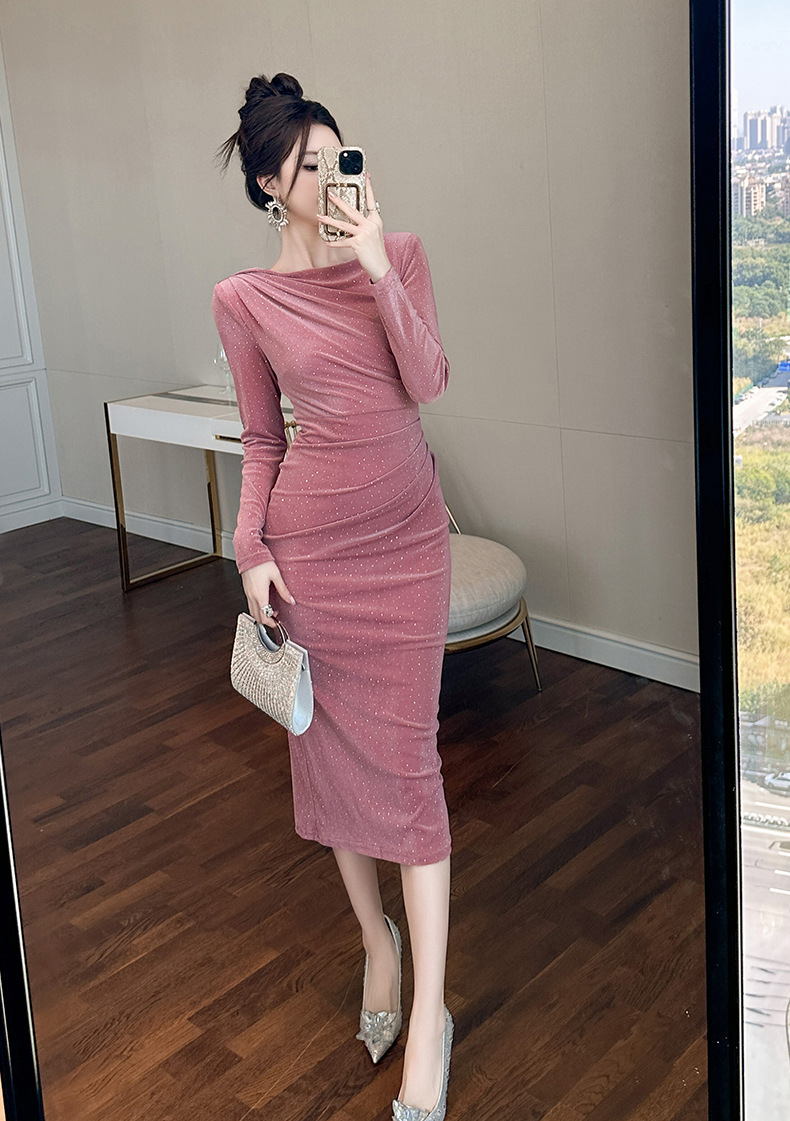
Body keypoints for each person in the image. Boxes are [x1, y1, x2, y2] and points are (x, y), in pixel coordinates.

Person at [212, 72, 454, 1121]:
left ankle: (430, 1017)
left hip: (408, 550)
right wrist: (248, 546)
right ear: (270, 185)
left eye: (337, 157)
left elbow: (428, 380)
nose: (328, 177)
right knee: (333, 760)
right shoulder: (244, 299)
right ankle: (376, 943)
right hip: (311, 559)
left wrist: (374, 264)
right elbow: (262, 437)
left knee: (411, 773)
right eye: (306, 166)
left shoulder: (398, 255)